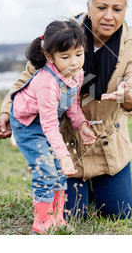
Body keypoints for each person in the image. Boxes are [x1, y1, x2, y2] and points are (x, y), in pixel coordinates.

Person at [0, 0, 132, 221]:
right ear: (88, 6)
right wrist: (6, 112)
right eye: (102, 7)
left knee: (118, 213)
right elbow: (26, 80)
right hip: (67, 143)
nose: (109, 16)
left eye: (117, 9)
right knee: (72, 215)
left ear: (125, 11)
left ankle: (95, 186)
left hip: (107, 144)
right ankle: (75, 189)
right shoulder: (64, 36)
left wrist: (128, 96)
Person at [9, 19, 96, 234]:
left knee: (58, 171)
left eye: (79, 54)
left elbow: (73, 106)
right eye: (65, 57)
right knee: (45, 168)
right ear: (50, 57)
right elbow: (49, 125)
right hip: (28, 125)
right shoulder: (47, 82)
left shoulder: (76, 74)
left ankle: (57, 218)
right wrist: (65, 155)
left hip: (47, 123)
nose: (74, 62)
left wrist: (82, 125)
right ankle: (42, 222)